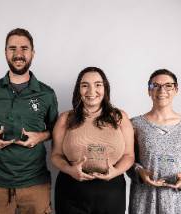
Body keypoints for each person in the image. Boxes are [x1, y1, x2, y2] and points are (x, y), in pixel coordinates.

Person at [0, 28, 58, 214]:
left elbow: (56, 129)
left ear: (33, 53)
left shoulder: (47, 94)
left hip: (35, 182)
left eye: (24, 48)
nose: (18, 54)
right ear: (5, 52)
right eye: (12, 48)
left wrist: (41, 136)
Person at [51, 66, 134, 214]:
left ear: (105, 88)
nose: (91, 91)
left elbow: (129, 156)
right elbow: (56, 155)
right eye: (85, 85)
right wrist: (70, 170)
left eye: (98, 85)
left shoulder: (120, 117)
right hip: (71, 190)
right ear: (78, 90)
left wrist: (115, 172)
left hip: (111, 191)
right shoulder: (65, 118)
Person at [128, 69, 181, 214]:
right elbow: (127, 160)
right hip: (144, 201)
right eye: (155, 85)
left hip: (177, 203)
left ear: (176, 90)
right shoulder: (134, 124)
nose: (162, 90)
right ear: (149, 90)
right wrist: (139, 172)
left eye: (168, 85)